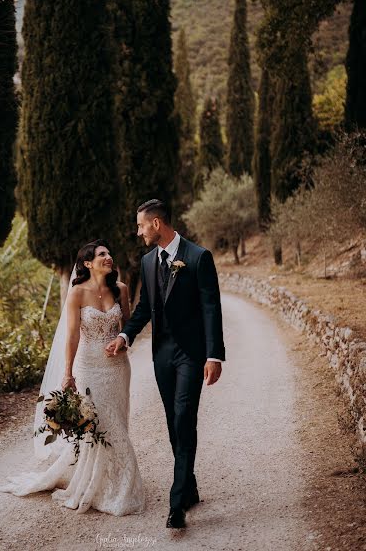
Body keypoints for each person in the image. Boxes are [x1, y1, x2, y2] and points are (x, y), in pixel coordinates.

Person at [0, 239, 145, 516]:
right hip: (88, 367)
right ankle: (103, 485)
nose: (109, 256)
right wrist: (67, 374)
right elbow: (73, 335)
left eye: (109, 252)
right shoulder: (77, 293)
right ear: (88, 263)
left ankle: (114, 482)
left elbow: (129, 327)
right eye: (102, 254)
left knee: (117, 422)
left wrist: (123, 342)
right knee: (98, 425)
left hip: (117, 367)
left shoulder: (121, 289)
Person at [106, 199, 225, 529]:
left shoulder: (198, 257)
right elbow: (145, 307)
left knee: (185, 414)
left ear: (156, 224)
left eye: (141, 225)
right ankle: (189, 485)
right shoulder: (147, 261)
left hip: (191, 353)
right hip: (163, 356)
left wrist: (214, 355)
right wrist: (125, 337)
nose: (138, 231)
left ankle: (177, 505)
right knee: (174, 421)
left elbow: (210, 308)